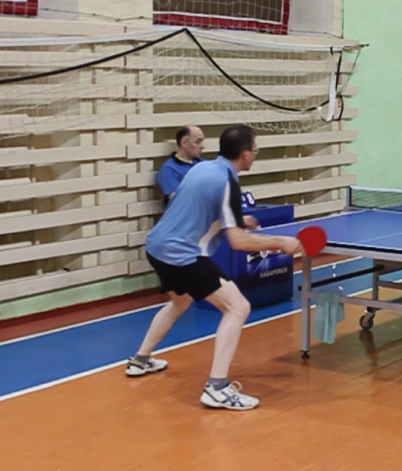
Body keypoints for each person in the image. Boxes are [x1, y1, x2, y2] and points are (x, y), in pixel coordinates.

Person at [125, 124, 303, 411]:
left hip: (156, 246)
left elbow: (197, 205)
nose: (255, 155)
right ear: (245, 154)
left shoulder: (203, 168)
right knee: (238, 307)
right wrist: (281, 242)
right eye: (255, 150)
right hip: (183, 254)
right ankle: (217, 388)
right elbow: (238, 242)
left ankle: (140, 359)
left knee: (180, 301)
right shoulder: (228, 181)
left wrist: (237, 219)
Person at [156, 124, 206, 206]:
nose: (203, 146)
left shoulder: (204, 164)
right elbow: (179, 202)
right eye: (198, 142)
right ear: (184, 143)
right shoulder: (169, 169)